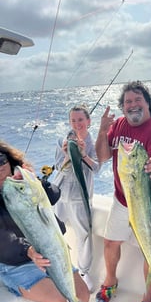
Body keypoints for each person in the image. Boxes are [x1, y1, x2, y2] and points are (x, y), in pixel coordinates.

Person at [95, 80, 151, 302]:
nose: (132, 105)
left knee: (147, 251)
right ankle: (110, 281)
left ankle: (149, 297)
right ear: (123, 106)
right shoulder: (118, 125)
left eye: (137, 100)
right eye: (128, 101)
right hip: (122, 198)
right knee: (110, 242)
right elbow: (102, 156)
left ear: (148, 104)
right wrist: (101, 131)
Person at [0, 140, 89, 302]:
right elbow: (3, 241)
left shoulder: (23, 181)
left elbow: (54, 195)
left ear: (9, 160)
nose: (0, 168)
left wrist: (34, 181)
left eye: (1, 160)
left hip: (48, 250)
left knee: (82, 294)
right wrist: (29, 251)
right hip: (15, 263)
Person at [53, 104, 100, 292]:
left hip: (80, 197)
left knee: (84, 235)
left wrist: (83, 155)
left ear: (88, 121)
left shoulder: (93, 143)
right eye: (73, 120)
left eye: (80, 119)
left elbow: (96, 168)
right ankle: (58, 267)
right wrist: (66, 155)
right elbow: (58, 167)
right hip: (60, 194)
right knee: (56, 230)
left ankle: (83, 272)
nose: (77, 123)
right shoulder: (61, 140)